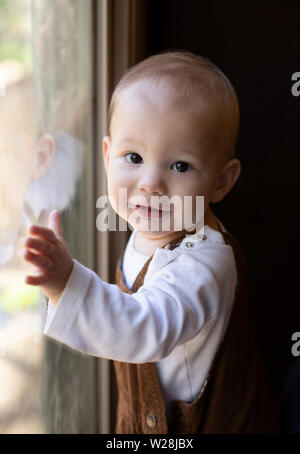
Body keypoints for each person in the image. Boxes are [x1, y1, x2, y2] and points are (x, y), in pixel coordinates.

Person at [23, 50, 279, 433]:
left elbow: (145, 328)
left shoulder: (204, 263)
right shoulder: (160, 223)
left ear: (221, 181)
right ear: (108, 156)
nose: (150, 183)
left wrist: (67, 282)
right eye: (134, 156)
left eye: (180, 165)